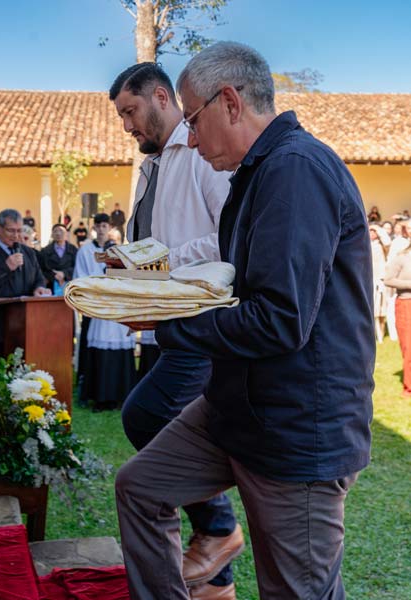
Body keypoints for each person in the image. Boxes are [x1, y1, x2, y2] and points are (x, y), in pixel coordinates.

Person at [115, 42, 375, 600]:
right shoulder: (256, 172)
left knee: (295, 590)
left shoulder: (295, 170)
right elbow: (236, 285)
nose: (189, 137)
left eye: (192, 120)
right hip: (237, 408)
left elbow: (279, 320)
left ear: (230, 102)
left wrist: (163, 322)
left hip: (296, 427)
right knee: (140, 488)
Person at [110, 62, 241, 599]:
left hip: (202, 325)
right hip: (169, 327)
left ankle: (219, 526)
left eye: (130, 111)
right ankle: (217, 582)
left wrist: (158, 263)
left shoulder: (203, 155)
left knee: (146, 415)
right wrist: (130, 271)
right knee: (163, 429)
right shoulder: (152, 166)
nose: (126, 126)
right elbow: (156, 246)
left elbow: (232, 237)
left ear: (162, 97)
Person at [74, 213, 136, 410]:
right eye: (98, 225)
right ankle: (92, 391)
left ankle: (120, 394)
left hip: (116, 309)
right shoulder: (85, 251)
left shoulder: (118, 251)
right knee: (93, 350)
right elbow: (80, 277)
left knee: (118, 351)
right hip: (96, 306)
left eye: (104, 226)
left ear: (109, 228)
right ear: (94, 228)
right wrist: (99, 281)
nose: (101, 229)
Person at [0, 209, 51, 359]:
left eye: (19, 230)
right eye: (11, 230)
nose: (16, 235)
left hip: (24, 326)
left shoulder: (28, 252)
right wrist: (6, 267)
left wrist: (39, 288)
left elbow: (38, 278)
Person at [385, 236, 411, 396]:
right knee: (408, 347)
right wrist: (409, 284)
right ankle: (409, 386)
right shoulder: (401, 257)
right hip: (406, 303)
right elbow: (388, 280)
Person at [40, 224, 77, 295]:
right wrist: (54, 275)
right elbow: (41, 269)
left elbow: (77, 267)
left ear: (66, 234)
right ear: (52, 234)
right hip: (50, 286)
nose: (58, 233)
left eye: (61, 231)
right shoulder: (45, 251)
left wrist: (64, 274)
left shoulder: (73, 250)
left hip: (70, 285)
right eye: (55, 231)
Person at [369, 224, 391, 342]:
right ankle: (372, 335)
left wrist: (377, 227)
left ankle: (381, 335)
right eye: (370, 231)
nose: (372, 234)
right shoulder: (366, 244)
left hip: (380, 280)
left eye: (374, 232)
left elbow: (387, 241)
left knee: (381, 310)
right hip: (370, 280)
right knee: (372, 310)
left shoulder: (382, 246)